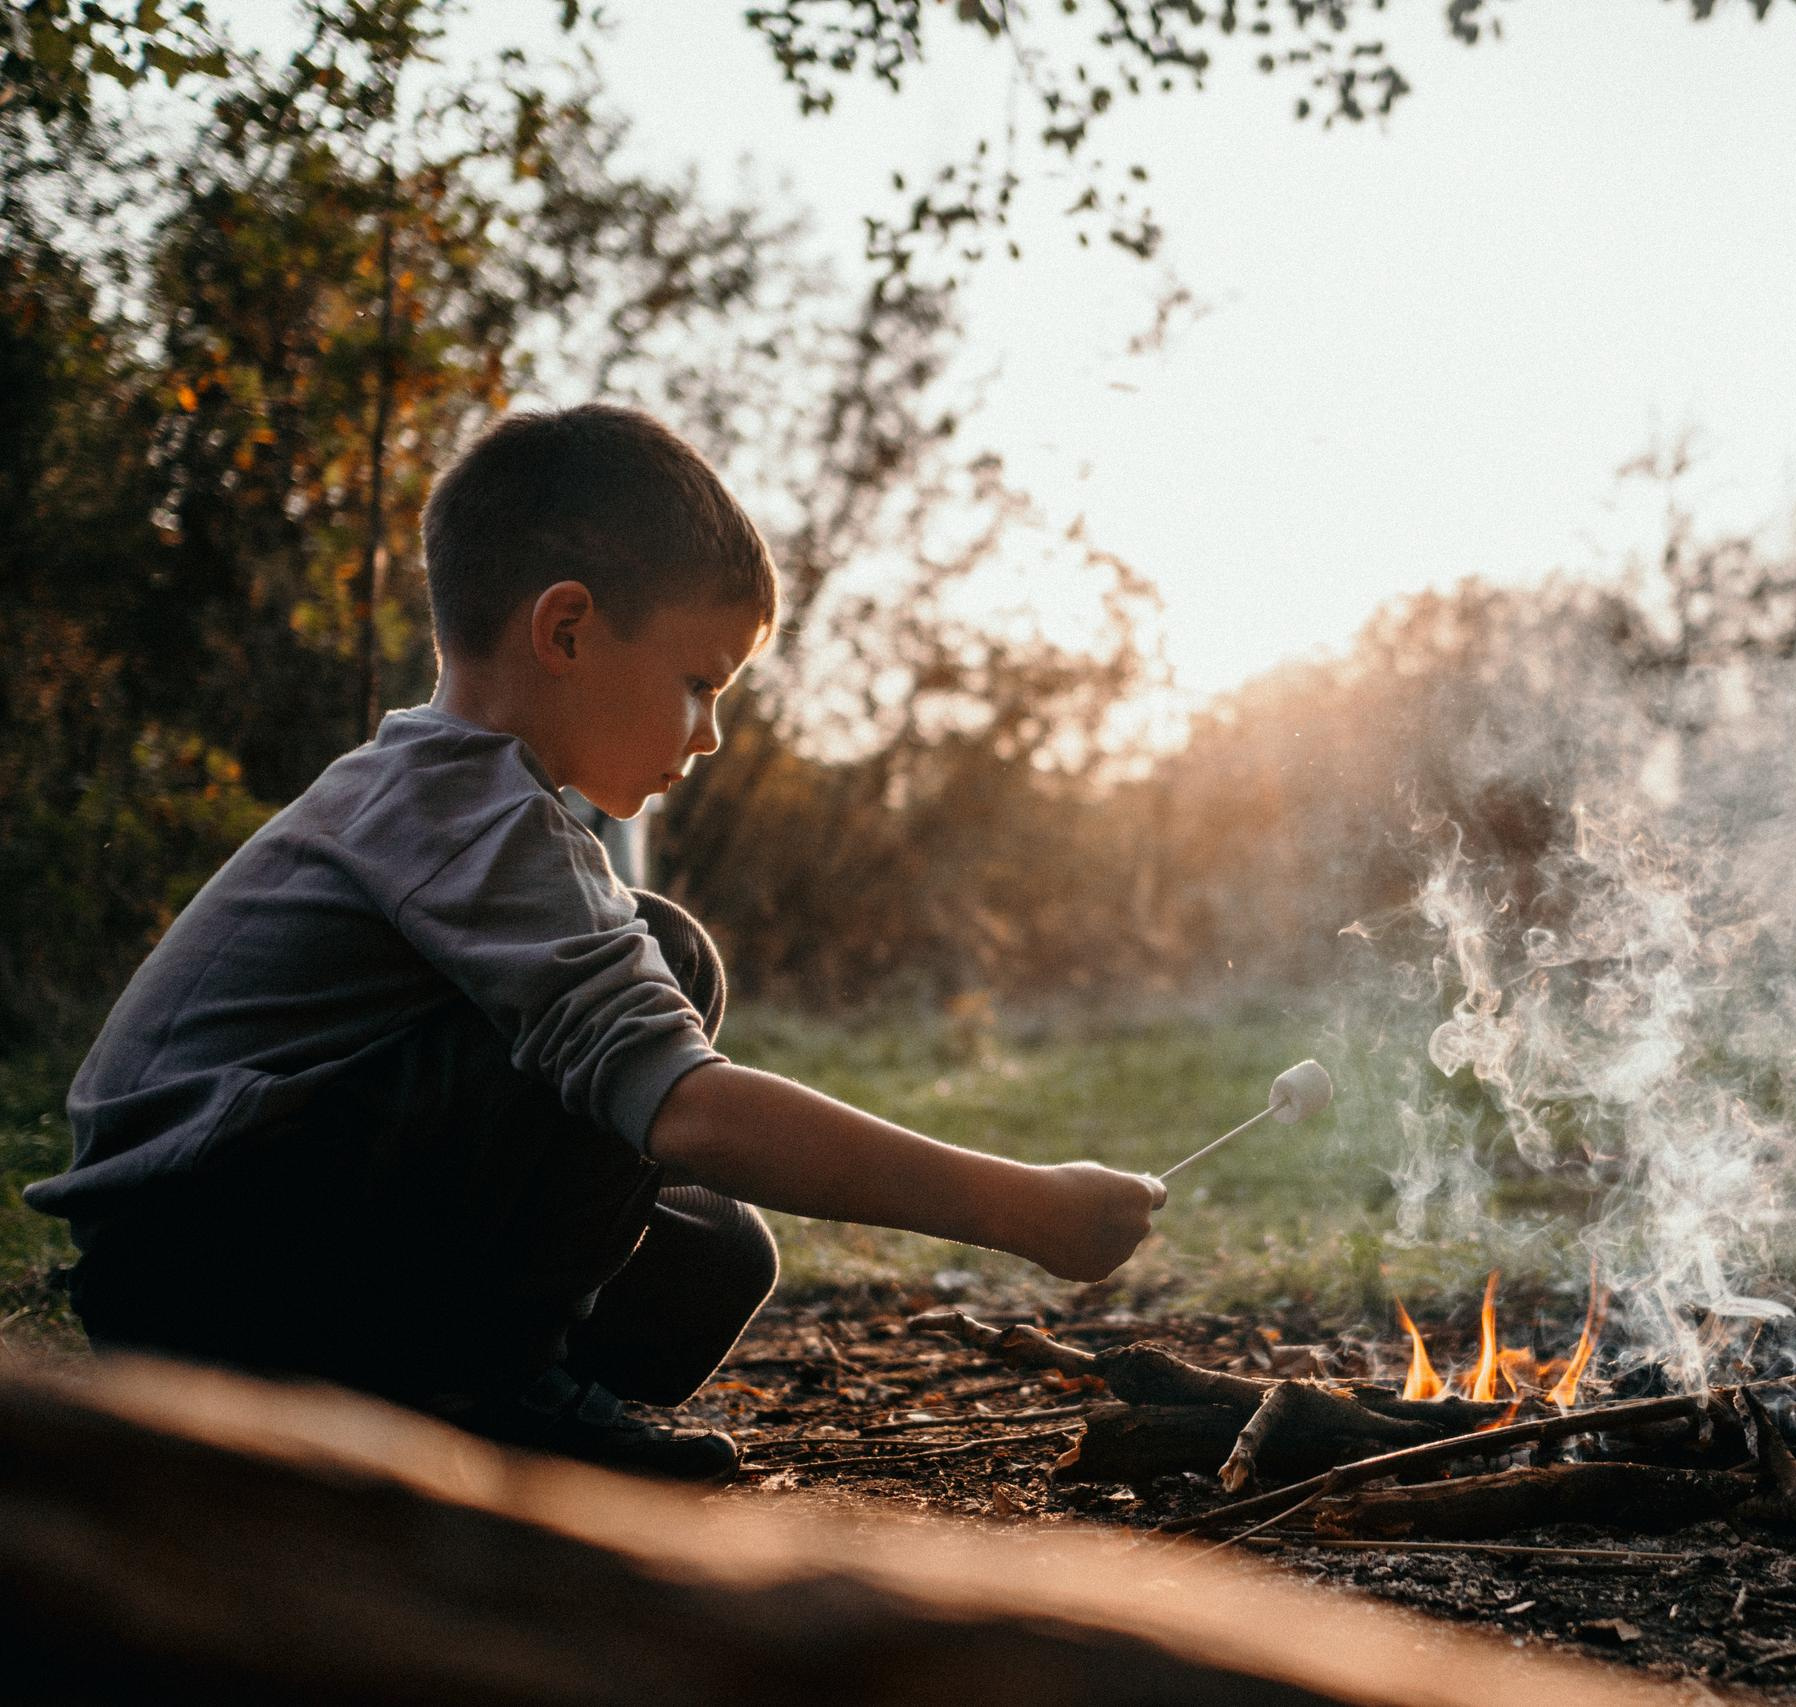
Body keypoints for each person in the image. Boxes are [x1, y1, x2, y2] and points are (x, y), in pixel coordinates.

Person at [25, 403, 1165, 1481]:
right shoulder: (467, 812)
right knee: (664, 955)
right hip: (207, 1256)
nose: (709, 734)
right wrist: (1017, 1207)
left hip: (205, 1255)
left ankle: (433, 1385)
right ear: (567, 627)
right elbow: (691, 1109)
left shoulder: (440, 797)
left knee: (716, 1260)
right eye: (698, 682)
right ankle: (488, 1392)